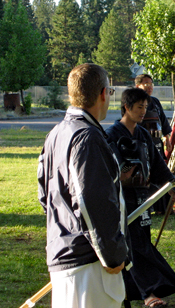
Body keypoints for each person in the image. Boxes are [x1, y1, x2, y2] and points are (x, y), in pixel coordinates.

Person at [37, 63, 128, 308]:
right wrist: (112, 255)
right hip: (88, 265)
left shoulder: (56, 133)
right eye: (109, 92)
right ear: (102, 93)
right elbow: (94, 201)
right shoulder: (86, 136)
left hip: (67, 256)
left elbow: (45, 196)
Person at [105, 88, 175, 308]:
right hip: (121, 200)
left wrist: (170, 186)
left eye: (145, 107)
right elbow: (113, 171)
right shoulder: (111, 135)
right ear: (126, 107)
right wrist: (124, 173)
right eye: (139, 107)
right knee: (131, 245)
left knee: (142, 243)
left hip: (143, 198)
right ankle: (146, 293)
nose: (143, 112)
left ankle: (140, 291)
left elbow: (157, 164)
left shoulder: (144, 134)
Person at [135, 74, 172, 159]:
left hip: (157, 143)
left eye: (151, 84)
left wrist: (166, 138)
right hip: (141, 144)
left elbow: (163, 119)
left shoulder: (155, 102)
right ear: (137, 86)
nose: (150, 87)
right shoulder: (134, 103)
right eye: (146, 84)